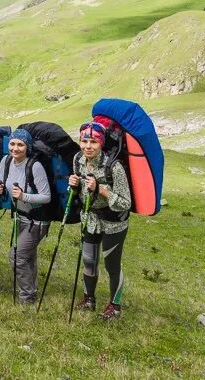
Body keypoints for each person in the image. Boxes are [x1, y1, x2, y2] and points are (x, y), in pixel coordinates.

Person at [69, 121, 132, 320]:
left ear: (101, 143)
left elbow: (125, 202)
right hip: (90, 217)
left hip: (114, 222)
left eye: (93, 142)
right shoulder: (78, 159)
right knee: (89, 260)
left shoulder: (114, 167)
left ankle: (115, 306)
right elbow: (79, 190)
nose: (88, 146)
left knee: (112, 265)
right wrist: (74, 187)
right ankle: (89, 299)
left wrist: (103, 191)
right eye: (84, 141)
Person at [0, 128, 51, 304]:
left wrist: (24, 196)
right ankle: (31, 290)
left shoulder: (35, 166)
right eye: (12, 143)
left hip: (38, 220)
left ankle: (26, 296)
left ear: (28, 147)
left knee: (16, 256)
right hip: (20, 216)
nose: (15, 148)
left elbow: (46, 197)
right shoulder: (6, 160)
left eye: (20, 144)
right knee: (27, 256)